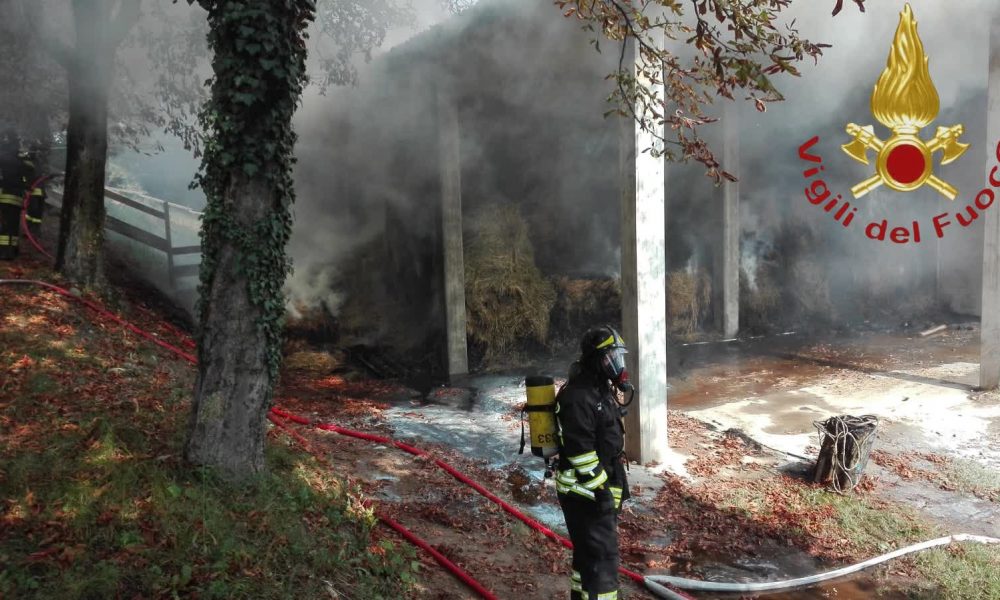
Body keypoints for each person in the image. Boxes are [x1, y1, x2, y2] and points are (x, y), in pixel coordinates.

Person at [555, 325, 633, 600]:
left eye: (618, 358)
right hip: (585, 492)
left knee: (588, 558)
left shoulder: (597, 390)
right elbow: (581, 453)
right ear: (595, 360)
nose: (616, 365)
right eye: (611, 358)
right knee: (602, 560)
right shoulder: (579, 396)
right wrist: (601, 492)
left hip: (593, 490)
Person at [0, 129, 29, 260]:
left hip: (5, 195)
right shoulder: (19, 158)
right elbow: (29, 170)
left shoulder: (4, 156)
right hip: (16, 196)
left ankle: (4, 252)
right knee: (13, 224)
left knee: (5, 225)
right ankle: (12, 250)